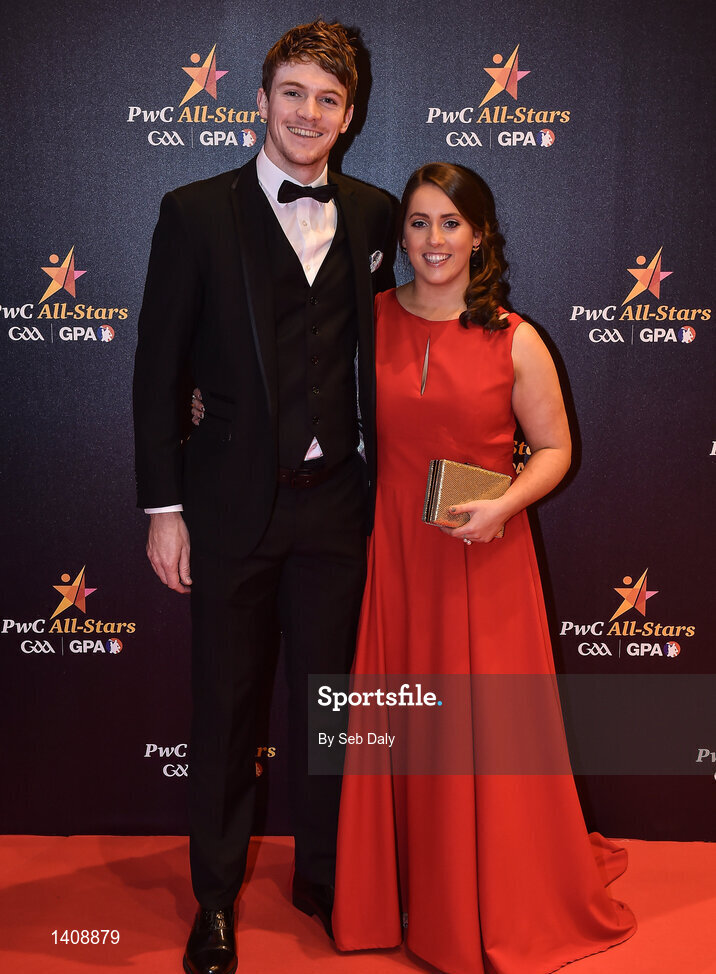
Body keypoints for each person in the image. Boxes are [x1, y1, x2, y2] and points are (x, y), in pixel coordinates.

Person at [329, 163, 637, 973]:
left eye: (451, 224)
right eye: (421, 223)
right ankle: (400, 894)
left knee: (484, 736)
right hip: (393, 557)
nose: (434, 241)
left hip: (483, 562)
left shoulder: (514, 336)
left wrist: (503, 507)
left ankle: (488, 900)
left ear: (481, 235)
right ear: (402, 235)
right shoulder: (369, 319)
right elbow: (299, 397)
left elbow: (557, 448)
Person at [132, 21, 394, 974]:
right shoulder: (194, 211)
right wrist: (163, 507)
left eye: (327, 99)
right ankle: (214, 903)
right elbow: (158, 368)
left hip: (338, 505)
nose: (308, 113)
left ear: (350, 116)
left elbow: (400, 342)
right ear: (260, 98)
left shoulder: (375, 215)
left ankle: (327, 880)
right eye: (292, 92)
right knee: (227, 708)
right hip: (230, 507)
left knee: (329, 708)